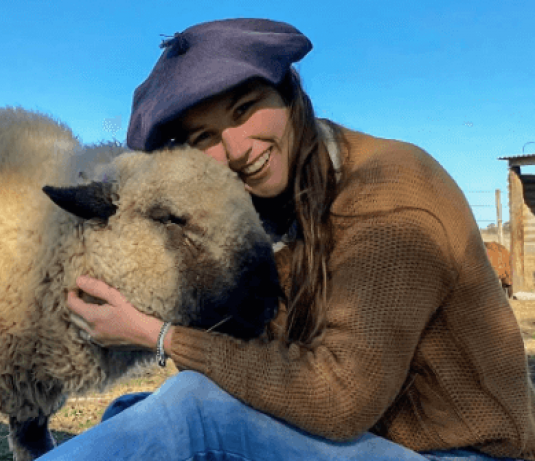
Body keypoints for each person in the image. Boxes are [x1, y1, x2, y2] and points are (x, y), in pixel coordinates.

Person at [39, 18, 535, 461]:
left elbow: (340, 398)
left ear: (288, 90)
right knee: (134, 411)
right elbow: (266, 363)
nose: (235, 149)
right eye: (203, 138)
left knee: (191, 415)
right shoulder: (272, 210)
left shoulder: (391, 192)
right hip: (368, 439)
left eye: (244, 109)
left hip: (464, 453)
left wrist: (158, 335)